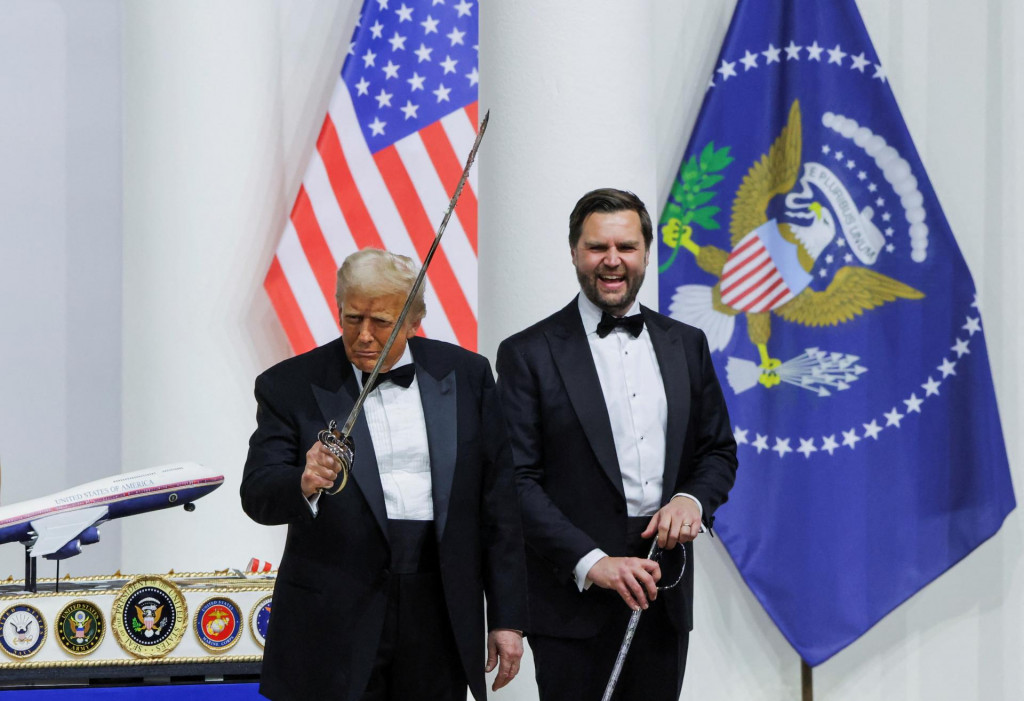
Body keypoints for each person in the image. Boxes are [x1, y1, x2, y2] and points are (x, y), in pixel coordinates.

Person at [241, 248, 528, 701]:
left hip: (439, 608)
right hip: (333, 617)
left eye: (383, 322)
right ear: (338, 309)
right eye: (353, 318)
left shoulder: (467, 375)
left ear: (415, 321)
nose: (365, 336)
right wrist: (303, 480)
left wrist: (508, 617)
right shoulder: (289, 385)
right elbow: (257, 493)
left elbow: (499, 504)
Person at [496, 188, 738, 700]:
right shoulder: (526, 353)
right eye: (596, 247)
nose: (612, 261)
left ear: (647, 252)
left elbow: (717, 451)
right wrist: (592, 561)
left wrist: (690, 499)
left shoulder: (687, 343)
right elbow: (515, 481)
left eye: (626, 247)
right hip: (573, 597)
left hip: (663, 588)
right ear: (574, 252)